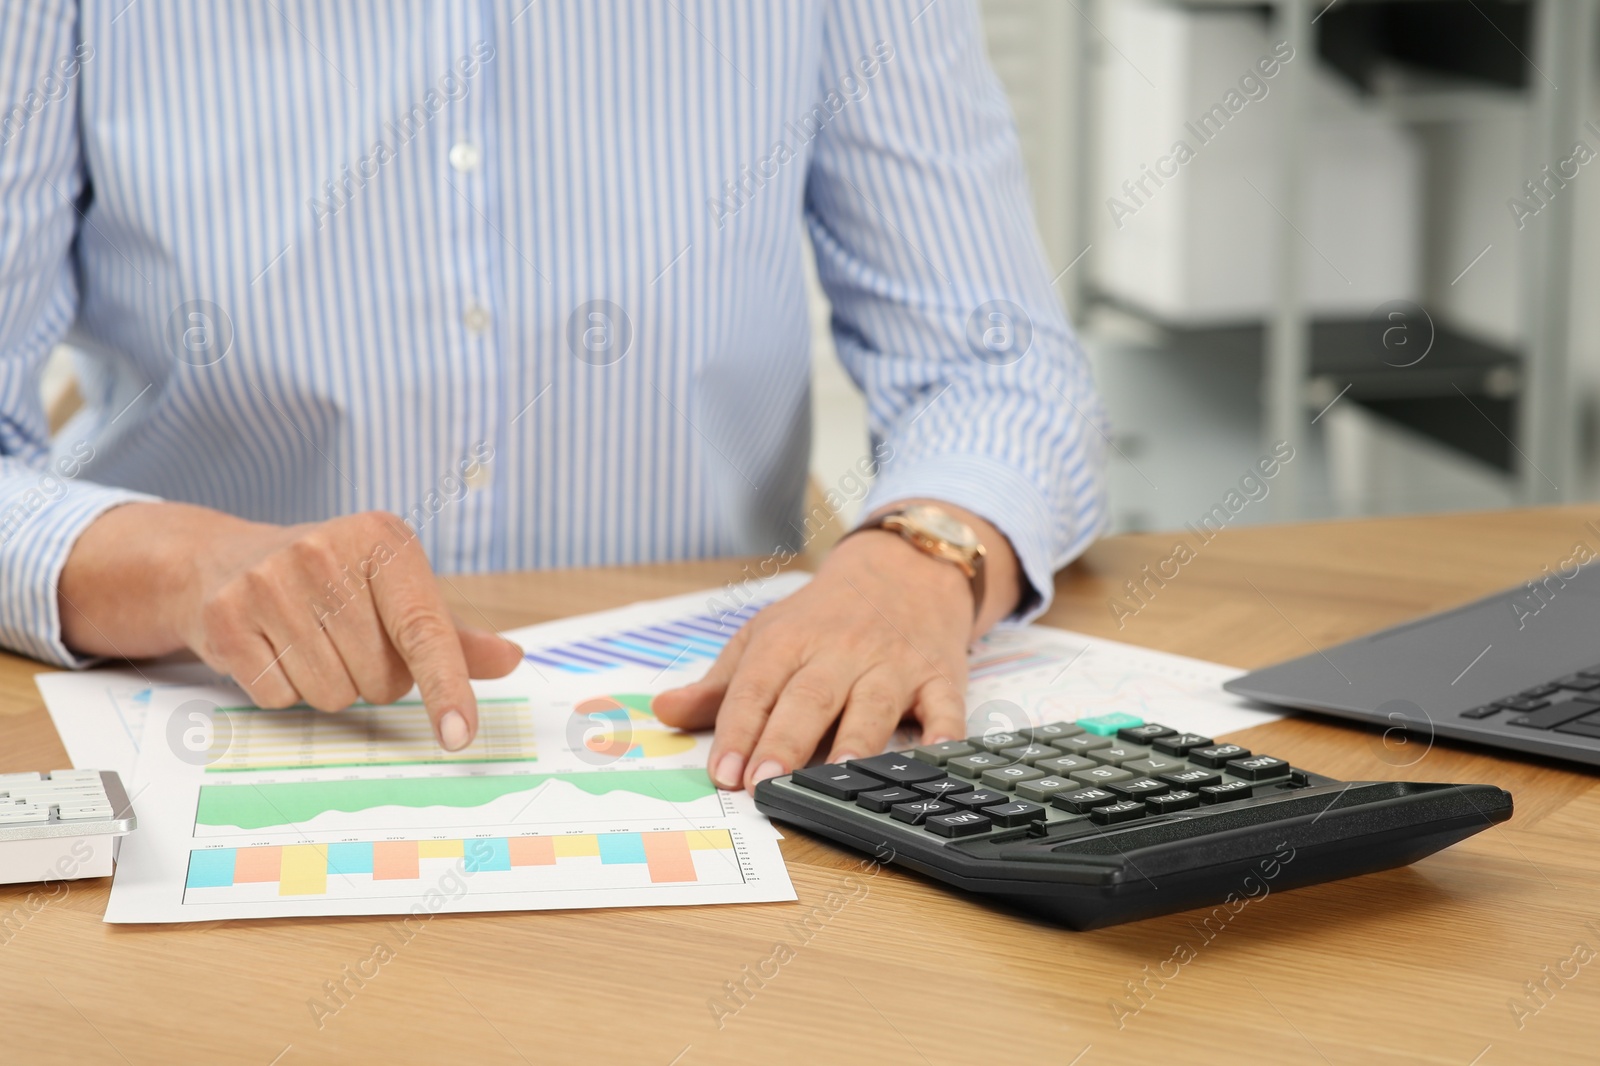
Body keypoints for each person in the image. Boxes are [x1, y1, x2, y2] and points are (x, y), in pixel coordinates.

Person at [0, 0, 1105, 790]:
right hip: (215, 724)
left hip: (706, 748)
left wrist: (918, 561)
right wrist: (183, 566)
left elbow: (994, 359)